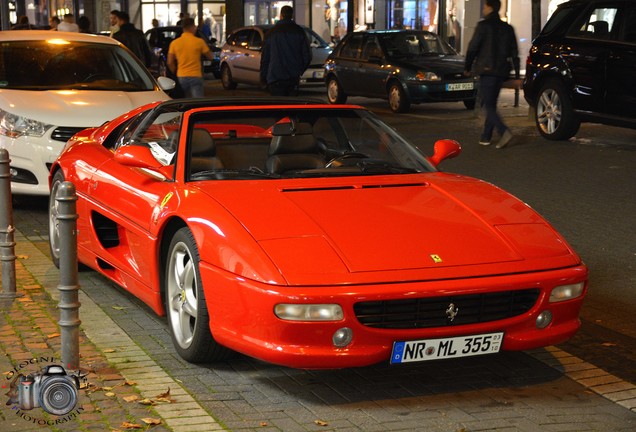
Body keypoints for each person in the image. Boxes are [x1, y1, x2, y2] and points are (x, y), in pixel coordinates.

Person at [464, 0, 520, 149]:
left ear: (489, 7)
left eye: (485, 6)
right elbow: (514, 52)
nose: (483, 8)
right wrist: (515, 74)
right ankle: (486, 136)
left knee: (488, 105)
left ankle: (504, 131)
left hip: (487, 70)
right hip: (501, 71)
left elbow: (473, 48)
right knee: (491, 104)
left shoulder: (483, 26)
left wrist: (467, 66)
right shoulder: (507, 28)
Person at [260, 6, 311, 96]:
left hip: (275, 77)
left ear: (281, 15)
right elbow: (307, 55)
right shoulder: (299, 31)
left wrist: (263, 77)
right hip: (293, 77)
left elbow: (265, 58)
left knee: (278, 106)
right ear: (292, 15)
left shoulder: (271, 33)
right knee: (292, 106)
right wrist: (299, 70)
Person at [167, 18, 215, 98]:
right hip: (196, 75)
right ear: (192, 27)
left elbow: (169, 62)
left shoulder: (174, 43)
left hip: (181, 76)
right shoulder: (199, 42)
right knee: (197, 101)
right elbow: (210, 57)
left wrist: (175, 72)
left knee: (183, 100)